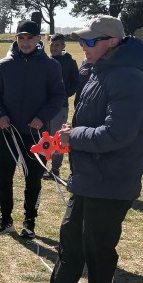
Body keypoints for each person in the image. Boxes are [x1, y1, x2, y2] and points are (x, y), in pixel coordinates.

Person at [15, 15, 143, 283]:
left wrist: (74, 135)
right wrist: (67, 138)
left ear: (113, 43)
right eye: (83, 40)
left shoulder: (129, 79)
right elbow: (92, 123)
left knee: (98, 250)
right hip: (87, 177)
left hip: (112, 183)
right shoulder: (97, 73)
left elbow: (118, 133)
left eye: (91, 41)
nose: (83, 46)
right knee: (70, 240)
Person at [0, 20, 64, 238]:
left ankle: (29, 221)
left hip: (37, 136)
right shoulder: (4, 65)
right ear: (16, 39)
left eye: (30, 38)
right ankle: (5, 218)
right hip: (7, 133)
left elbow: (58, 96)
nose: (25, 42)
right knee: (4, 178)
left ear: (39, 40)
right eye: (21, 38)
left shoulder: (50, 66)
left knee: (33, 179)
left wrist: (42, 117)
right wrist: (0, 115)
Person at [47, 33, 79, 179]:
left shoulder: (69, 62)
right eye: (52, 45)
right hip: (42, 106)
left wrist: (64, 94)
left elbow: (76, 82)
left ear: (63, 46)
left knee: (57, 137)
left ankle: (55, 169)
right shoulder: (44, 61)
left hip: (60, 107)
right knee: (42, 136)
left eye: (57, 45)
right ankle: (40, 165)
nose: (54, 48)